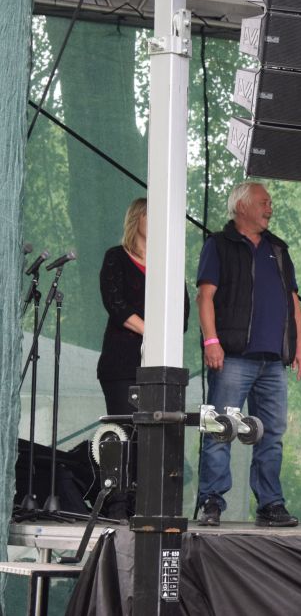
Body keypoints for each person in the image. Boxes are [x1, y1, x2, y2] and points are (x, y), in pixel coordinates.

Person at [196, 182, 301, 527]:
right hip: (232, 356)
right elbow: (204, 296)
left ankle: (271, 504)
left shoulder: (278, 248)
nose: (269, 208)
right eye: (264, 202)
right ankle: (211, 502)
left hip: (273, 361)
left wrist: (299, 347)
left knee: (271, 434)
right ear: (242, 206)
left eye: (270, 203)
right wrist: (211, 341)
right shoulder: (219, 244)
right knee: (220, 428)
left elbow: (292, 302)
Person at [97, 198, 189, 518]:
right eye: (152, 215)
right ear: (137, 219)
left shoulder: (168, 263)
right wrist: (151, 332)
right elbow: (116, 305)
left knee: (152, 436)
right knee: (123, 430)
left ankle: (144, 503)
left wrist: (160, 338)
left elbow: (183, 315)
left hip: (158, 367)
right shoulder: (116, 257)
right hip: (121, 362)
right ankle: (116, 502)